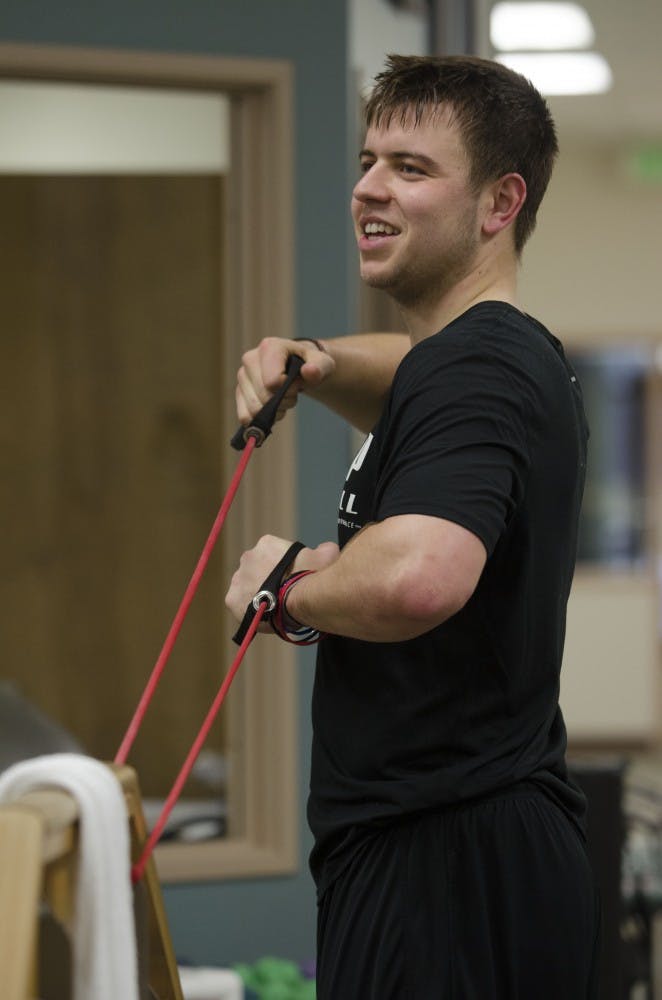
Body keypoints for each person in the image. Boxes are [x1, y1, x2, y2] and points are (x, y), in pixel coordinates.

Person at [225, 55, 600, 998]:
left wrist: (287, 585)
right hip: (472, 854)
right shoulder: (489, 359)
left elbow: (418, 576)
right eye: (366, 160)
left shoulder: (478, 367)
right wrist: (315, 363)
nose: (367, 188)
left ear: (499, 202)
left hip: (444, 869)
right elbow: (410, 378)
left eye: (411, 167)